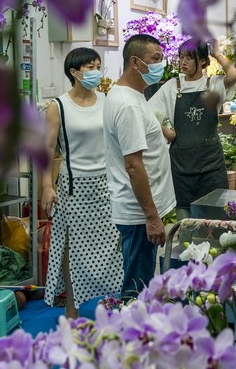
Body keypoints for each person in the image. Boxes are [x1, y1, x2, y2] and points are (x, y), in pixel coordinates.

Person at [41, 47, 123, 319]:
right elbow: (49, 150)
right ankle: (72, 306)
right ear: (74, 72)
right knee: (71, 247)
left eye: (97, 65)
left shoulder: (107, 100)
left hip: (106, 186)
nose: (96, 71)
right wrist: (47, 187)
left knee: (112, 247)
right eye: (89, 66)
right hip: (73, 188)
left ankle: (112, 302)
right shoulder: (58, 106)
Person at [104, 34, 177, 298]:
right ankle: (128, 336)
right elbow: (133, 165)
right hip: (138, 216)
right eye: (154, 59)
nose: (160, 65)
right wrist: (151, 216)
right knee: (137, 290)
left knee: (143, 282)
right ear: (135, 62)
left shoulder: (134, 97)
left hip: (142, 212)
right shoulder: (127, 105)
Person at [148, 40, 236, 223]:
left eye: (190, 58)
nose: (183, 62)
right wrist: (167, 132)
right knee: (185, 224)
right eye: (181, 57)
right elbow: (146, 113)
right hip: (182, 168)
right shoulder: (172, 86)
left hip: (212, 167)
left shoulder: (213, 84)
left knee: (216, 223)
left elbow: (234, 75)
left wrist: (217, 54)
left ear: (204, 61)